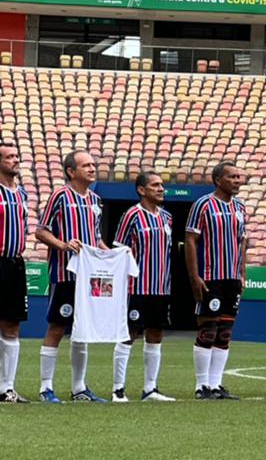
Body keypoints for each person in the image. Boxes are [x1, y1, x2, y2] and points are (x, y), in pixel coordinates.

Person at [34, 149, 108, 402]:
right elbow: (41, 231)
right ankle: (46, 388)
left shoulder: (96, 201)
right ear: (70, 171)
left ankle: (79, 388)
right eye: (85, 165)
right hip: (64, 274)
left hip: (89, 278)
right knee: (57, 326)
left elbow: (96, 238)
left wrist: (113, 255)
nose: (91, 168)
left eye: (92, 164)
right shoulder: (59, 196)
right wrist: (63, 245)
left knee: (83, 329)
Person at [185, 162, 248, 401]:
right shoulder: (203, 205)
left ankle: (216, 384)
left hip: (232, 278)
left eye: (239, 176)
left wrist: (243, 273)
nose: (237, 180)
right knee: (208, 330)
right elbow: (190, 240)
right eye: (232, 176)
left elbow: (242, 241)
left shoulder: (241, 207)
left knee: (225, 332)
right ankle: (202, 385)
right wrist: (194, 276)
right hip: (211, 277)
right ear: (218, 180)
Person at [111, 171, 176, 402]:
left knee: (156, 334)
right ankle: (118, 389)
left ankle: (150, 388)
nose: (161, 189)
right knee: (129, 333)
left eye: (162, 185)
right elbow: (119, 251)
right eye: (155, 185)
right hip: (136, 287)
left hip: (161, 287)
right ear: (141, 190)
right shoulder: (132, 215)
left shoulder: (166, 218)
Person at [0, 143, 29, 403]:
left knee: (12, 324)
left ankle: (6, 387)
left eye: (16, 156)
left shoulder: (22, 194)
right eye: (9, 157)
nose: (15, 161)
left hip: (15, 263)